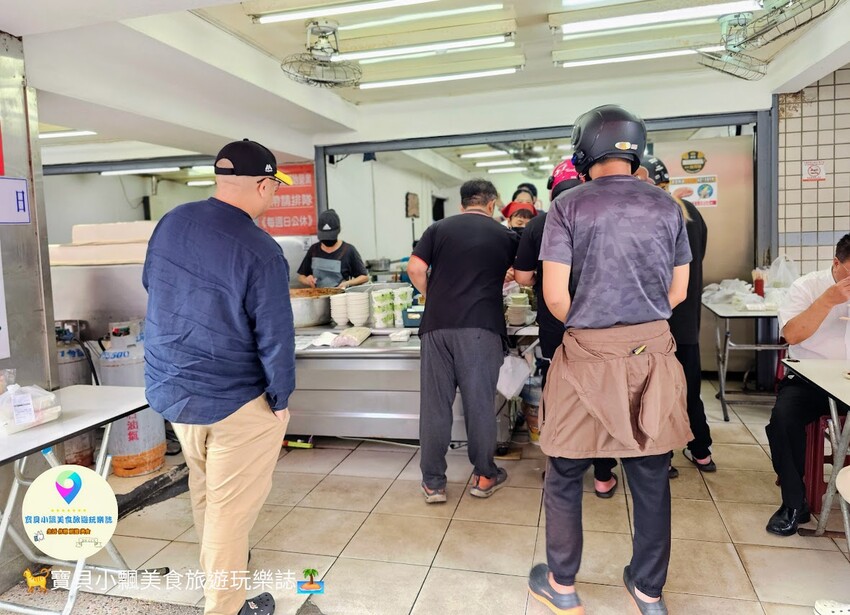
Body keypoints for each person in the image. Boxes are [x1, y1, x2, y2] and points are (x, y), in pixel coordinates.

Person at [526, 105, 692, 615]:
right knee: (650, 474)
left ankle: (563, 584)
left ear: (584, 150)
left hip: (586, 355)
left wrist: (594, 318)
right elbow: (678, 291)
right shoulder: (668, 206)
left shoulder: (567, 206)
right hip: (653, 354)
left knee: (565, 472)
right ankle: (648, 591)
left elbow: (555, 296)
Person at [144, 139, 296, 615]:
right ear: (263, 184)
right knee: (230, 515)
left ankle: (220, 589)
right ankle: (224, 607)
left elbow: (154, 285)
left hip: (177, 391)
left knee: (206, 493)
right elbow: (275, 336)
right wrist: (281, 398)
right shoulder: (260, 249)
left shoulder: (172, 223)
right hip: (236, 402)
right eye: (272, 188)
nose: (272, 196)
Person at [407, 179, 519, 503]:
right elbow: (521, 275)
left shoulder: (438, 229)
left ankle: (433, 483)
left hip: (436, 327)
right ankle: (484, 475)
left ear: (462, 204)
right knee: (479, 405)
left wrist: (432, 294)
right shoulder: (505, 235)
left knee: (434, 406)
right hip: (480, 328)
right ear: (492, 205)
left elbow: (416, 268)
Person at [514, 158, 618, 499]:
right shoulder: (606, 217)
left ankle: (557, 471)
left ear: (552, 188)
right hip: (601, 326)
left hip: (556, 327)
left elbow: (525, 276)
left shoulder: (538, 224)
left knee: (558, 397)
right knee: (601, 397)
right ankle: (603, 475)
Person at [765, 234, 850, 536]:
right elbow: (791, 335)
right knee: (783, 421)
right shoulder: (807, 286)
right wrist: (829, 300)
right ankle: (793, 503)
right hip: (808, 379)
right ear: (836, 264)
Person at [637, 155, 714, 478]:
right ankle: (701, 451)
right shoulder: (692, 214)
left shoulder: (650, 215)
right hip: (686, 324)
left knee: (658, 391)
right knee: (689, 388)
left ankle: (663, 457)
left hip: (657, 321)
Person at [297, 209, 369, 289]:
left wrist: (348, 283)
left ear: (339, 230)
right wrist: (307, 280)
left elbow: (364, 277)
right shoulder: (314, 250)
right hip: (318, 297)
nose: (327, 240)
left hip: (340, 298)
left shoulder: (349, 250)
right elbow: (301, 277)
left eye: (330, 236)